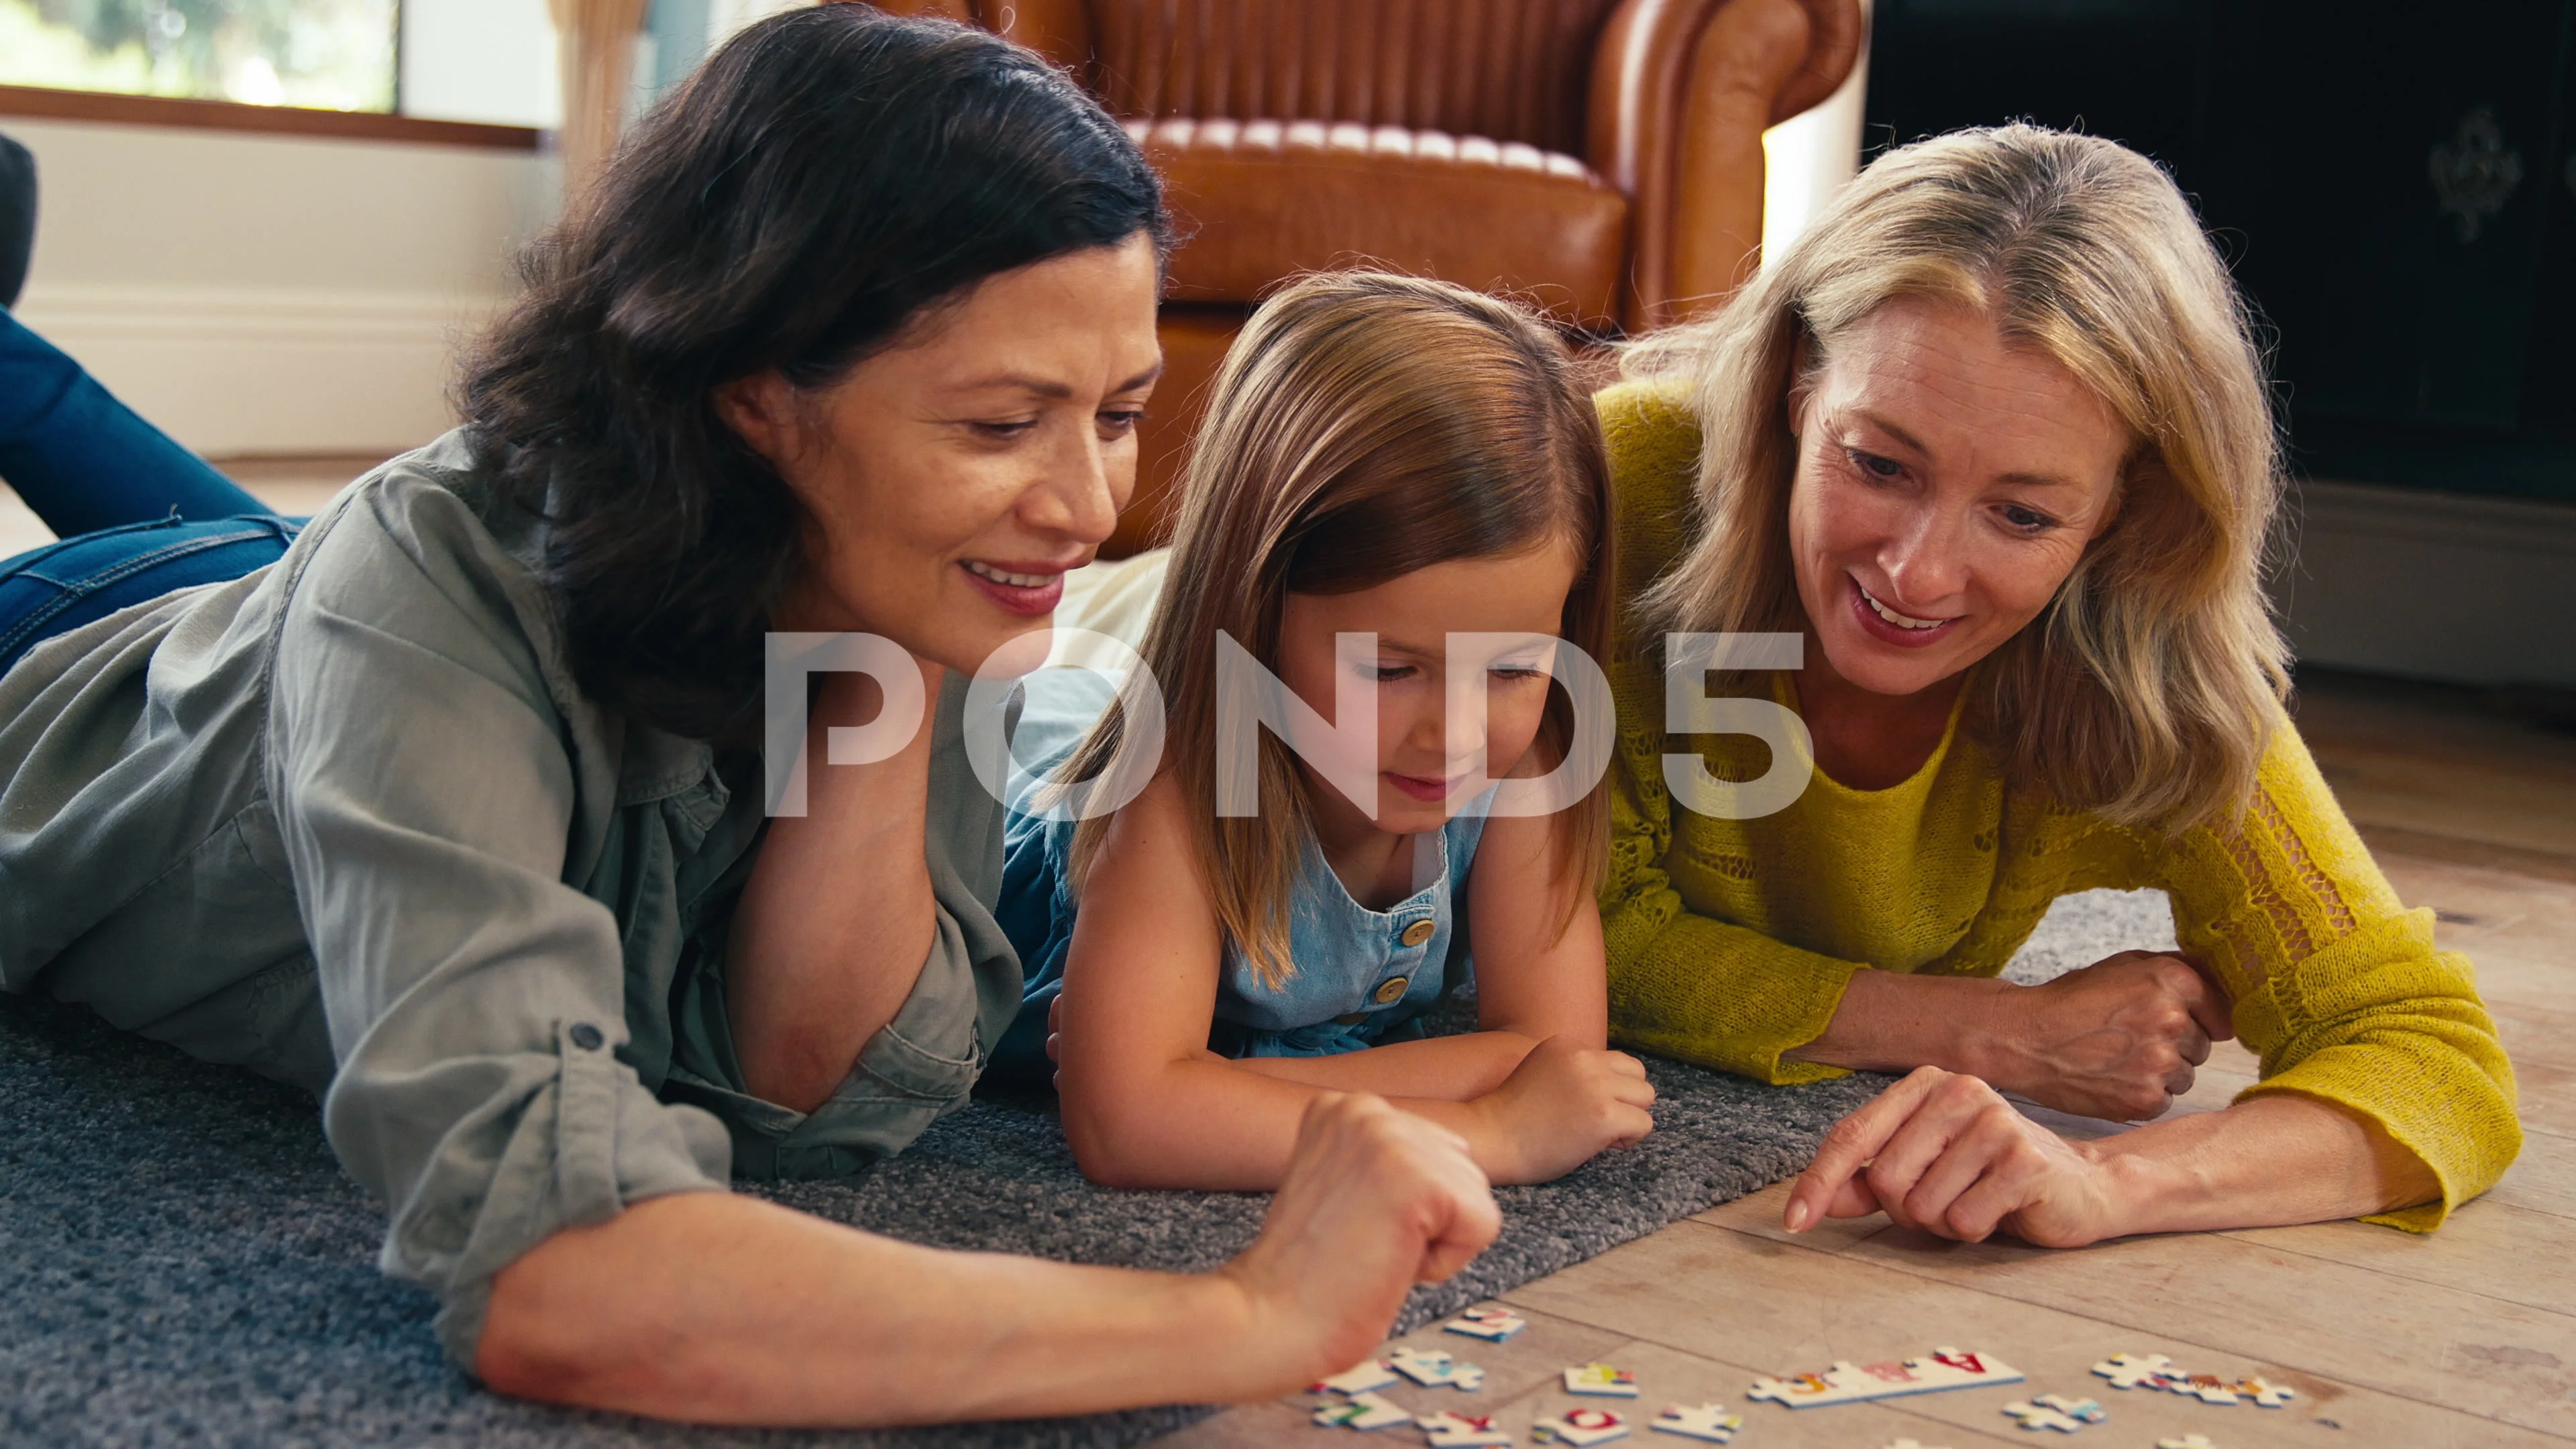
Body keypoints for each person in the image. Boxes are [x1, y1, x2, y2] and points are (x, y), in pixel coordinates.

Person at [0, 9, 1501, 1426]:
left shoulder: (922, 583)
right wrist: (1238, 1320)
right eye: (999, 424)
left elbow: (806, 1110)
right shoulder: (421, 590)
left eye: (1116, 414)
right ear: (749, 394)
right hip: (77, 653)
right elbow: (553, 1274)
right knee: (314, 551)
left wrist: (882, 666)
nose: (1090, 511)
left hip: (302, 591)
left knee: (275, 545)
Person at [1598, 125, 2519, 1246]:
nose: (1917, 572)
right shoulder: (1613, 484)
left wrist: (2112, 1185)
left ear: (2125, 509)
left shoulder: (2147, 655)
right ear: (1798, 383)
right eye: (1879, 464)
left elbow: (2430, 1054)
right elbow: (1552, 939)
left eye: (2024, 515)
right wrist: (1987, 1028)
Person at [996, 272, 1657, 1191]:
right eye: (1390, 670)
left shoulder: (1527, 763)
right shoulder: (1178, 788)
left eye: (1512, 667)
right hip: (1014, 790)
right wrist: (1489, 1134)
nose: (1454, 735)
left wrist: (1236, 1088)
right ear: (1253, 616)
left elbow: (1553, 1054)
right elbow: (1127, 1125)